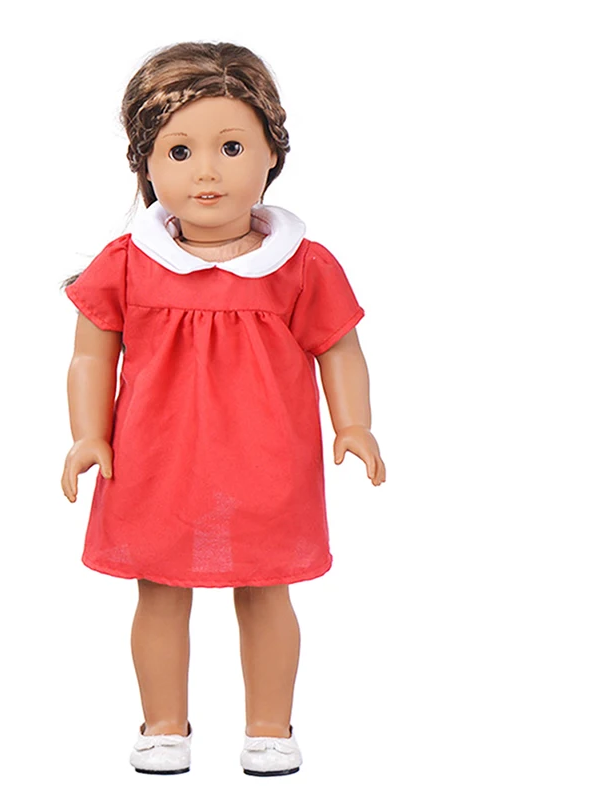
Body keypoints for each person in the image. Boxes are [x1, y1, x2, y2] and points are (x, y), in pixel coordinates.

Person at [60, 41, 386, 777]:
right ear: (146, 164)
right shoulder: (126, 263)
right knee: (159, 592)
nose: (205, 171)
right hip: (156, 459)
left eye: (231, 147)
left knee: (267, 591)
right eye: (179, 151)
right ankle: (163, 724)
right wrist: (87, 435)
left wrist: (355, 424)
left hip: (267, 461)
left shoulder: (301, 265)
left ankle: (270, 725)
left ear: (272, 153)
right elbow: (91, 355)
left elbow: (339, 349)